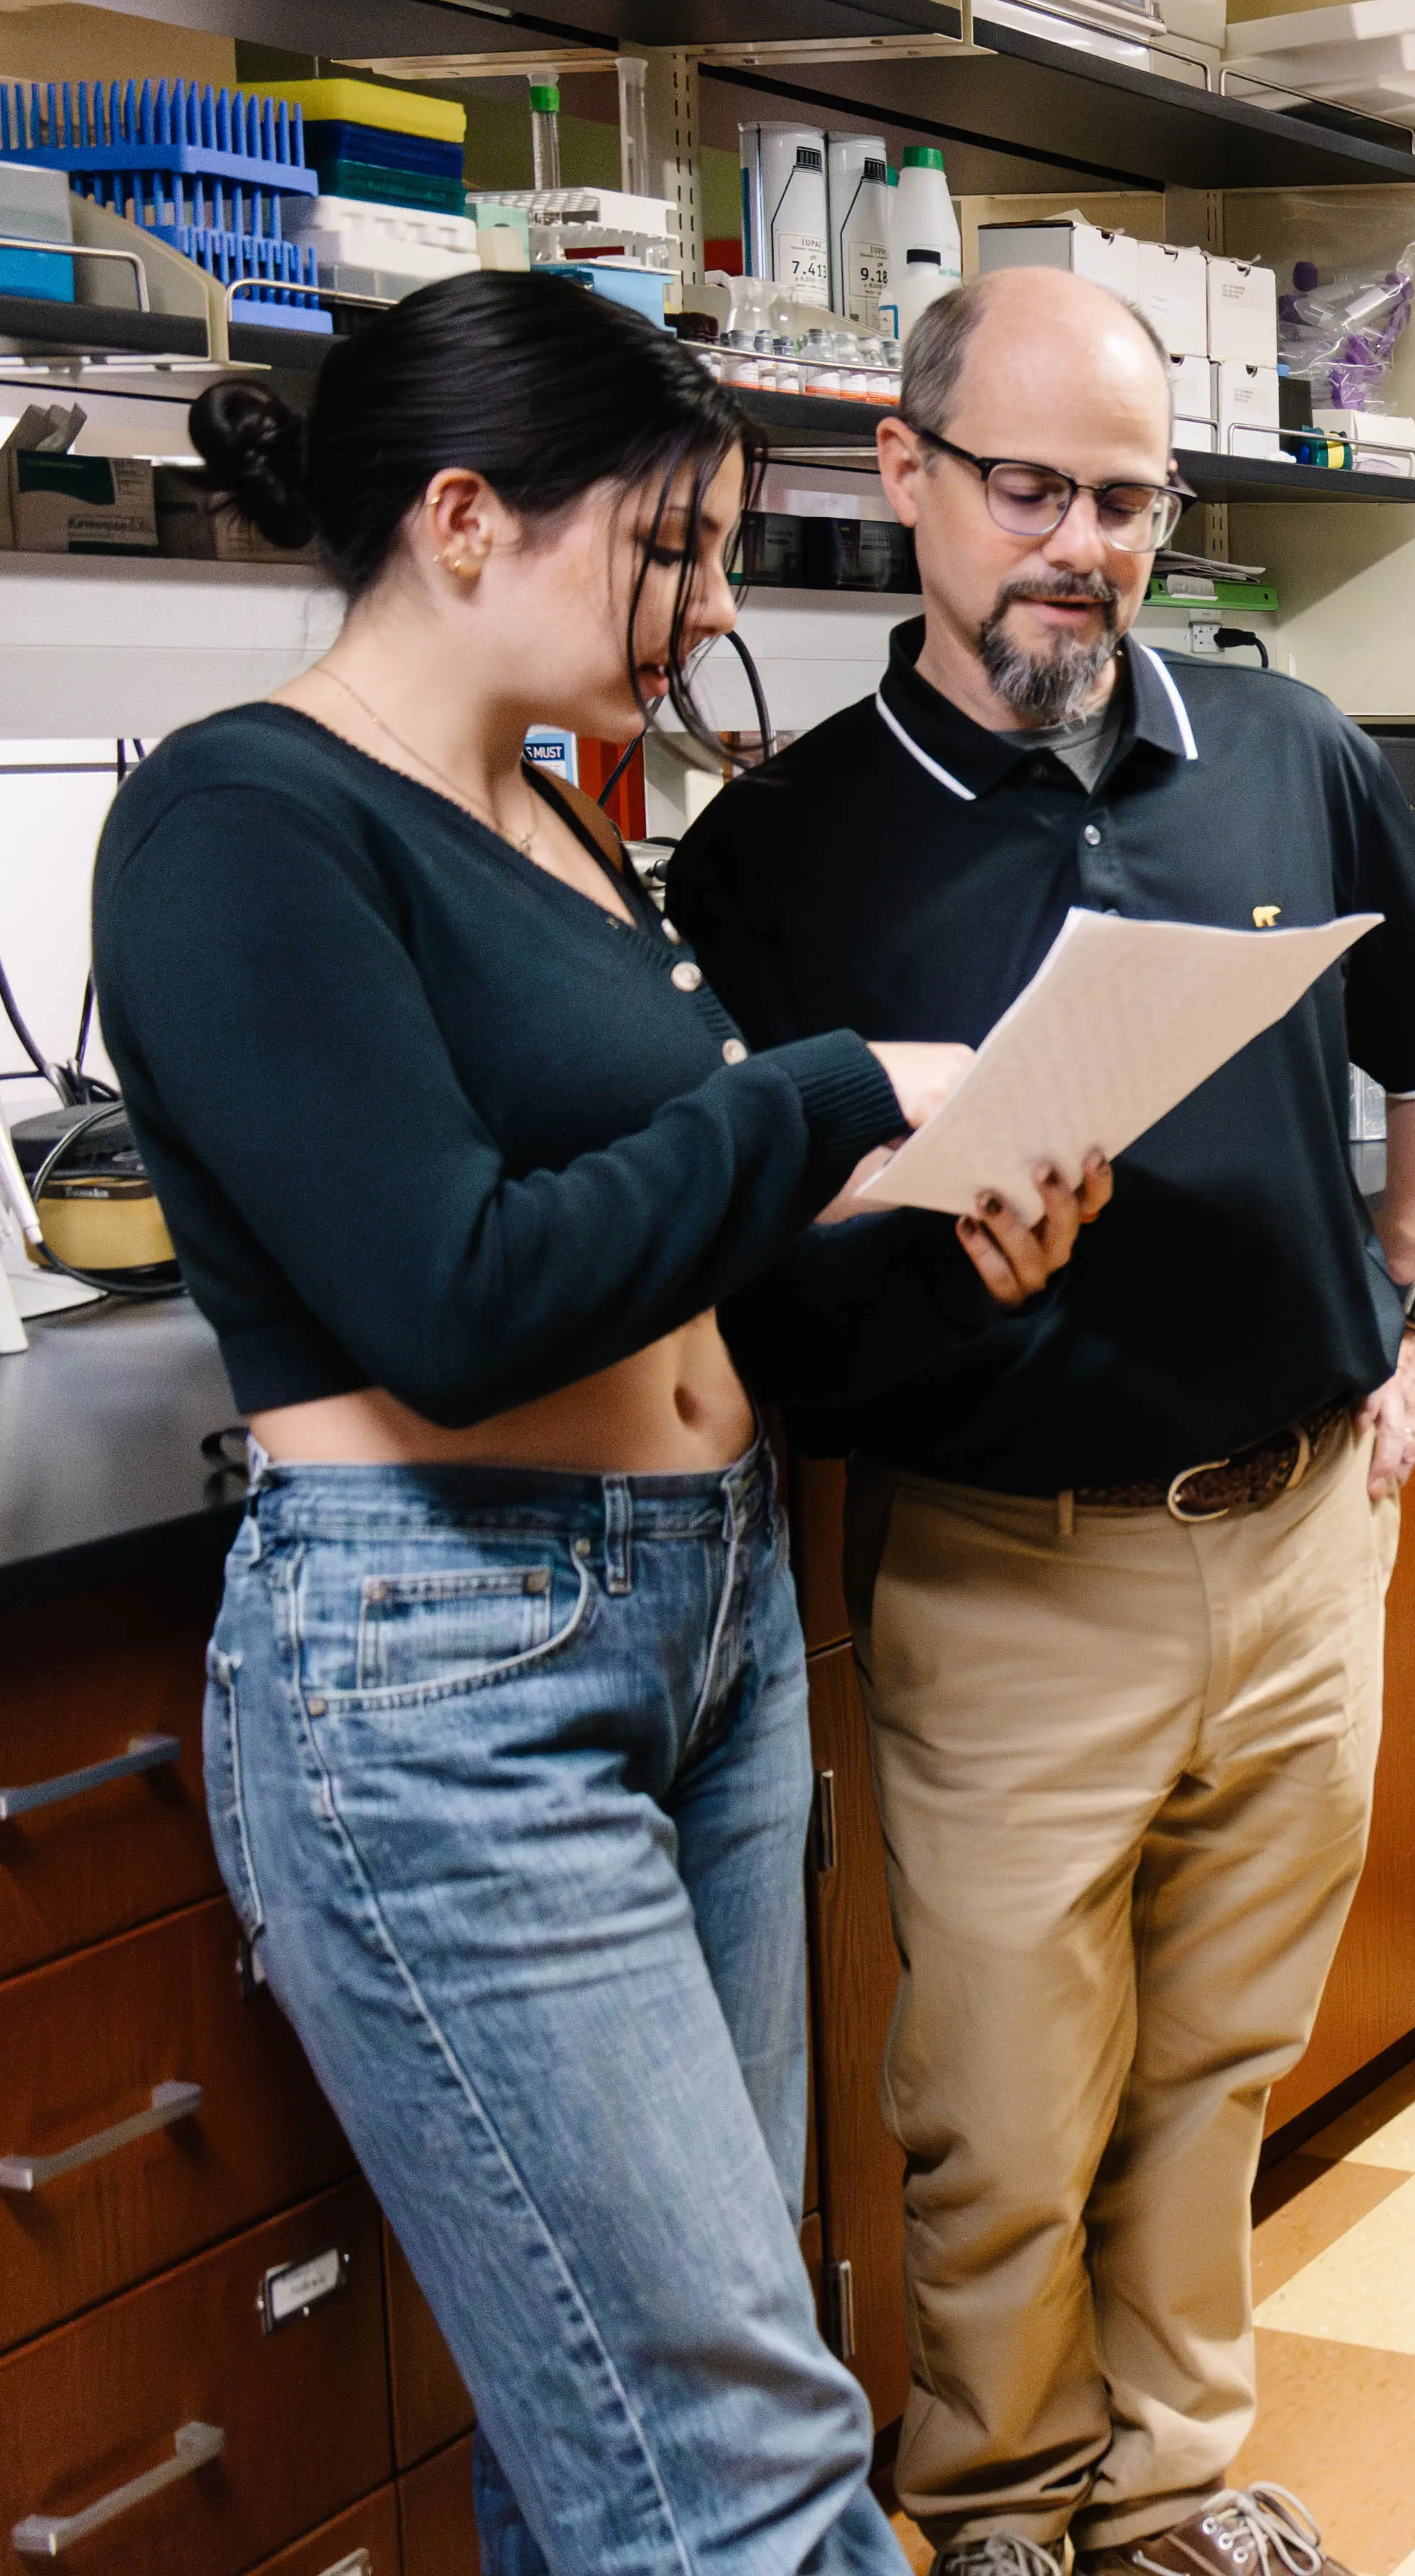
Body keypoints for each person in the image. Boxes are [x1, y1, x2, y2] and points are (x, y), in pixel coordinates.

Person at [93, 271, 1101, 2576]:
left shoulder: (554, 820)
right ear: (465, 517)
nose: (712, 606)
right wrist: (836, 1091)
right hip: (453, 1679)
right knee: (742, 2470)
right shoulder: (245, 826)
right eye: (673, 549)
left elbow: (681, 1260)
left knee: (617, 2457)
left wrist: (939, 1233)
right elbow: (457, 1299)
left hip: (703, 1628)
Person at [666, 266, 1415, 2576]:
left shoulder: (1284, 747)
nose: (1083, 543)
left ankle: (1169, 2481)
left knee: (1218, 2065)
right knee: (1009, 2105)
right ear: (905, 478)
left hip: (1303, 1521)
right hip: (1006, 1563)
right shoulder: (777, 858)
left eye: (1126, 499)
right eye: (1030, 487)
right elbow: (755, 1275)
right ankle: (1004, 2495)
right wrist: (933, 1260)